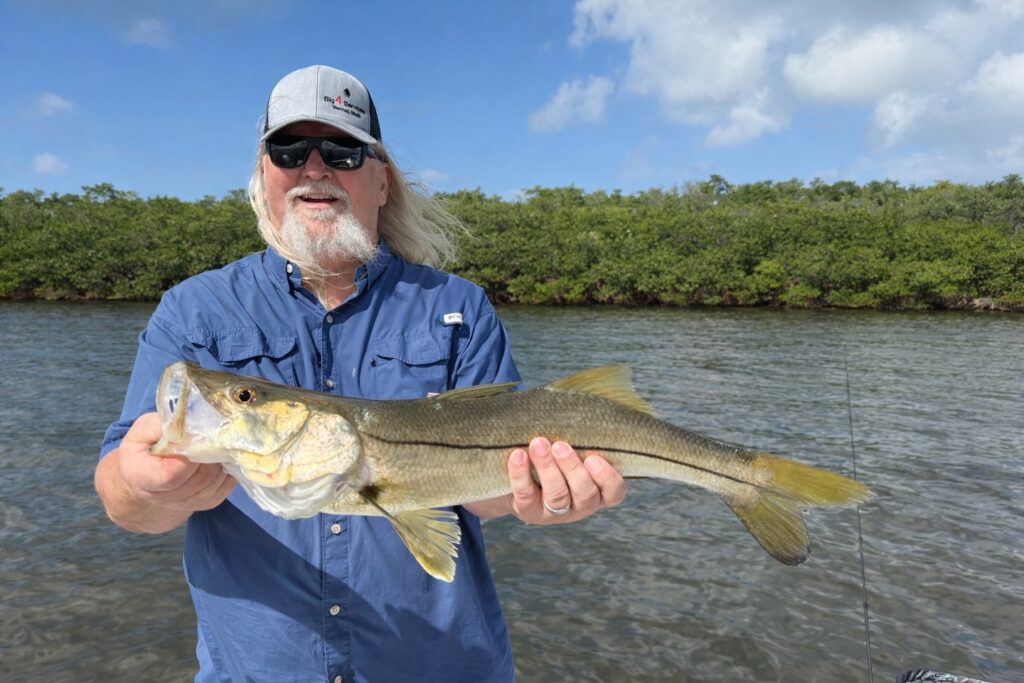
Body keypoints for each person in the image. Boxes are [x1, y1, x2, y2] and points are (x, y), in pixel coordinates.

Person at [95, 64, 625, 682]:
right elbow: (123, 500)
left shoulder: (458, 306)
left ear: (382, 181)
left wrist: (541, 497)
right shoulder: (193, 310)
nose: (314, 168)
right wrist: (145, 489)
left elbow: (483, 496)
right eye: (288, 150)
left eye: (344, 151)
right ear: (262, 175)